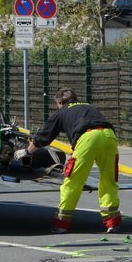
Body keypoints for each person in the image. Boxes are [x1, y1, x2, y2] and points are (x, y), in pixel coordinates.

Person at [26, 87, 121, 234]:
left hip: (88, 138)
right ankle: (112, 223)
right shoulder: (88, 106)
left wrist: (27, 152)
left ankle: (61, 224)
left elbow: (44, 136)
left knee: (73, 181)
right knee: (109, 180)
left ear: (60, 102)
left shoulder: (62, 111)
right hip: (109, 136)